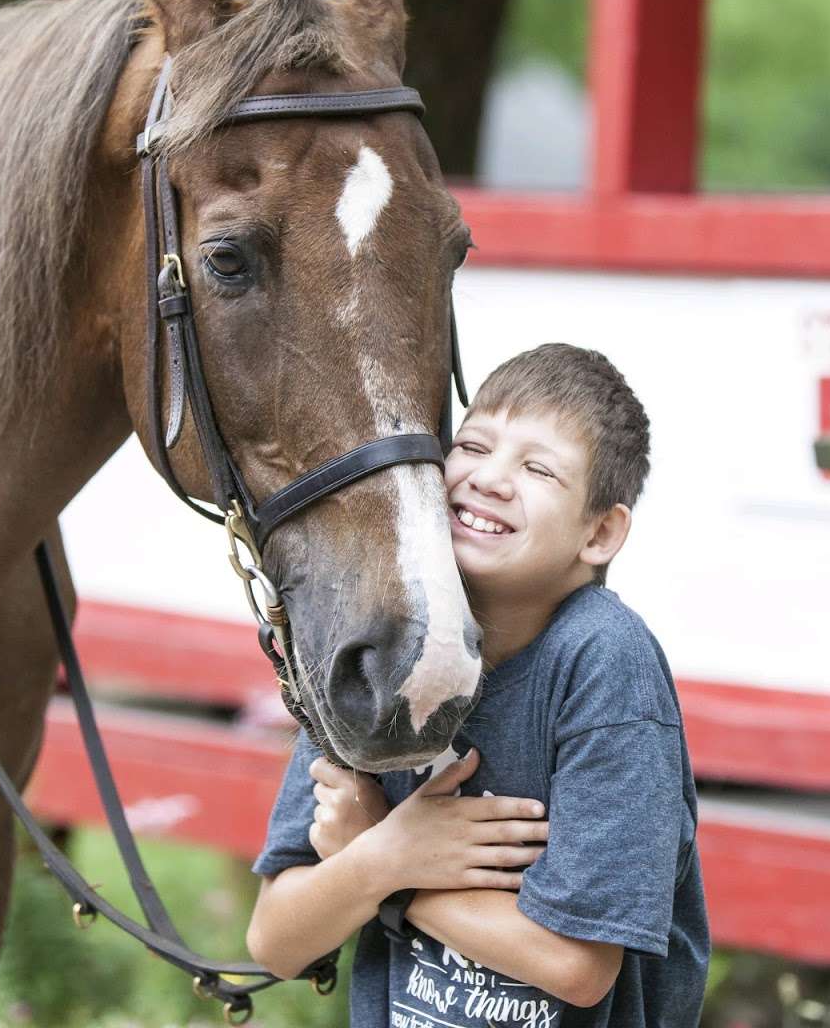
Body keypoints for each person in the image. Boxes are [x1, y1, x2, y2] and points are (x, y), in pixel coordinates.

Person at [246, 343, 710, 1026]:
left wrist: (392, 872)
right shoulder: (378, 635)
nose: (490, 479)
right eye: (473, 445)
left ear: (601, 532)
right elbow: (274, 940)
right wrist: (384, 857)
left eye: (538, 468)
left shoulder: (602, 660)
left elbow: (578, 969)